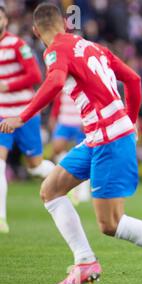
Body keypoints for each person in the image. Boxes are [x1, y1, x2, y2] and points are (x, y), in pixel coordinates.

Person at [0, 3, 142, 284]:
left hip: (109, 138)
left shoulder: (55, 50)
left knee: (110, 224)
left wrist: (22, 115)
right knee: (51, 190)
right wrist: (130, 122)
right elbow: (133, 79)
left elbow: (55, 81)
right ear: (64, 23)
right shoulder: (92, 46)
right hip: (99, 135)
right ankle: (84, 262)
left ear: (35, 31)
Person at [0, 6, 54, 234]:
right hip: (2, 113)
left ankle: (62, 178)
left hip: (24, 114)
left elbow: (35, 75)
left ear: (5, 19)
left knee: (34, 166)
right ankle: (1, 218)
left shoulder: (18, 45)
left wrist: (7, 85)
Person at [49, 91, 90, 203]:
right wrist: (53, 117)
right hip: (64, 121)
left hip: (80, 123)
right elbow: (57, 102)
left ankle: (83, 189)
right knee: (57, 149)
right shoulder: (63, 83)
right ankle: (64, 178)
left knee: (84, 155)